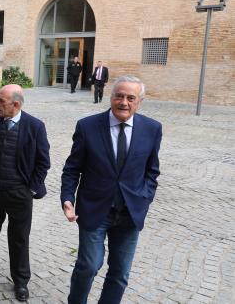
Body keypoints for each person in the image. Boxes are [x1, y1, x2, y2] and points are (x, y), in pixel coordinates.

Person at [61, 75, 162, 304]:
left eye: (130, 98)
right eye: (119, 96)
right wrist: (68, 198)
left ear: (140, 101)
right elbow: (72, 168)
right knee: (88, 265)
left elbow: (151, 171)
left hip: (129, 214)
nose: (123, 102)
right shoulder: (87, 126)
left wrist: (144, 198)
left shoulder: (152, 129)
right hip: (95, 209)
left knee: (120, 273)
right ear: (111, 96)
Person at [0, 84, 50, 301]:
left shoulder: (35, 126)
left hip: (19, 194)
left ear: (15, 104)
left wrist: (31, 189)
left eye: (1, 101)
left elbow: (43, 163)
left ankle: (21, 281)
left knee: (19, 238)